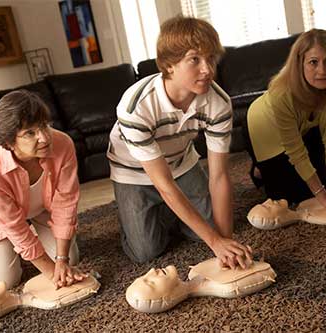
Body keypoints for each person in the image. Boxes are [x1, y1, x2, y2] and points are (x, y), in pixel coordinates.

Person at [107, 16, 252, 269]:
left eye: (211, 58)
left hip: (181, 163)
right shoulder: (136, 107)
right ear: (169, 65)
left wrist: (224, 241)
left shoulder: (219, 103)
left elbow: (218, 176)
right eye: (194, 59)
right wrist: (214, 242)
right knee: (146, 251)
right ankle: (143, 217)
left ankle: (172, 212)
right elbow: (163, 184)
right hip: (133, 173)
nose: (207, 69)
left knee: (211, 231)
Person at [0, 90, 87, 289]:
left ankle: (35, 243)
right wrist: (52, 273)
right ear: (8, 143)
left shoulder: (62, 143)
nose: (44, 137)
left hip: (41, 207)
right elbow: (13, 224)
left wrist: (61, 260)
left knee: (71, 259)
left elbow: (66, 202)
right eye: (30, 133)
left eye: (44, 125)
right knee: (4, 281)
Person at [244, 29, 326, 211]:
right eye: (313, 62)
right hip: (262, 129)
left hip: (303, 129)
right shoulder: (281, 94)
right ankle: (259, 170)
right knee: (294, 198)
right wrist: (321, 193)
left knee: (321, 185)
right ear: (300, 64)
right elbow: (295, 151)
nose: (322, 70)